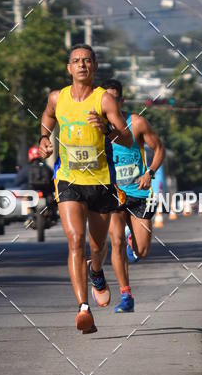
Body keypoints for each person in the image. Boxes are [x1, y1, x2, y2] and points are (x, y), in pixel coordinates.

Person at [38, 44, 133, 334]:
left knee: (97, 246)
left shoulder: (104, 100)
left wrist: (106, 130)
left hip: (101, 183)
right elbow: (47, 116)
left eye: (87, 61)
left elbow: (127, 139)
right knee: (76, 239)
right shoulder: (58, 97)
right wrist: (44, 138)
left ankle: (96, 272)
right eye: (76, 61)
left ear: (94, 66)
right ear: (69, 68)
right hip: (69, 180)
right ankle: (83, 308)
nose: (82, 65)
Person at [100, 79, 165, 313]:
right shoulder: (97, 127)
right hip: (113, 193)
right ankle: (126, 295)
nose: (111, 102)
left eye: (115, 98)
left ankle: (132, 242)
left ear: (121, 101)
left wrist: (150, 172)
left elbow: (159, 149)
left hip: (139, 193)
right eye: (106, 98)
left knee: (142, 251)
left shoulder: (136, 122)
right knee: (115, 242)